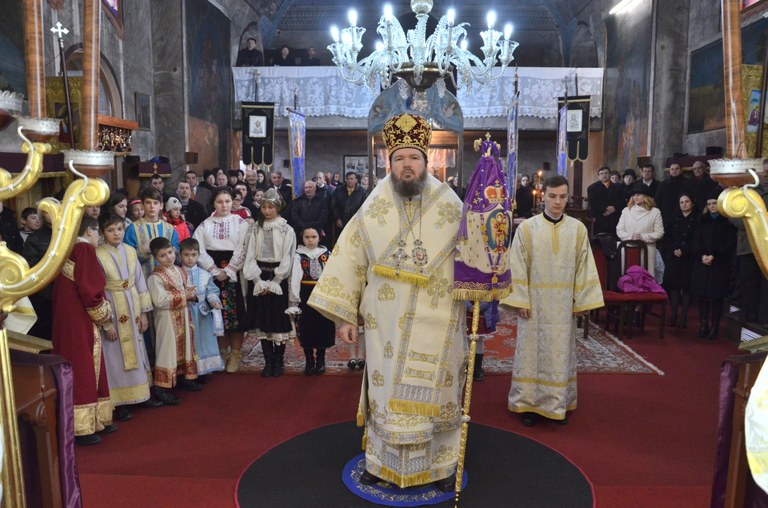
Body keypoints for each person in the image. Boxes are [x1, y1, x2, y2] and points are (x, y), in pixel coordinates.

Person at [309, 113, 465, 491]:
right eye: (399, 159)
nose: (407, 165)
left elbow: (473, 254)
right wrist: (345, 316)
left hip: (440, 313)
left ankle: (441, 466)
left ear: (427, 162)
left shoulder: (449, 202)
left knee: (440, 388)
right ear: (388, 162)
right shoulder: (373, 204)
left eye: (414, 158)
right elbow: (350, 257)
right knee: (387, 389)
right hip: (386, 318)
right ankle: (382, 463)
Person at [502, 175, 603, 427]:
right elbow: (517, 265)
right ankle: (528, 404)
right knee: (531, 353)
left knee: (560, 354)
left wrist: (581, 301)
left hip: (562, 306)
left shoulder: (577, 229)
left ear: (567, 197)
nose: (558, 202)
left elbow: (584, 267)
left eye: (562, 197)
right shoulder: (527, 228)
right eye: (552, 196)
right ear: (542, 196)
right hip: (534, 305)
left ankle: (557, 403)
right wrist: (521, 300)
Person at [51, 215, 115, 445]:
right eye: (98, 232)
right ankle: (82, 427)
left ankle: (94, 419)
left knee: (81, 363)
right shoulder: (84, 249)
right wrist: (104, 315)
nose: (98, 237)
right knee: (82, 364)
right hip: (78, 316)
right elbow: (90, 290)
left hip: (65, 315)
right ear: (90, 231)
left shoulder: (65, 247)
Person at [96, 214, 157, 421]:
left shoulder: (131, 251)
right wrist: (106, 323)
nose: (116, 233)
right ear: (103, 233)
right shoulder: (98, 254)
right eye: (111, 230)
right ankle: (119, 400)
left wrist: (144, 313)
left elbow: (140, 282)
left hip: (132, 304)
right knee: (114, 352)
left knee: (138, 347)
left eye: (120, 229)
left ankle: (141, 393)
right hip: (112, 305)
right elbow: (98, 290)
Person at [194, 187, 250, 373]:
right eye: (220, 202)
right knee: (216, 315)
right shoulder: (205, 225)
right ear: (213, 203)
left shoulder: (240, 223)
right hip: (212, 273)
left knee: (236, 315)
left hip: (234, 273)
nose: (224, 205)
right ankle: (221, 353)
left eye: (227, 201)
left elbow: (243, 247)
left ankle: (235, 354)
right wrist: (213, 270)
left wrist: (230, 269)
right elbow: (199, 249)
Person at [243, 189, 298, 377]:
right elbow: (249, 255)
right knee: (262, 319)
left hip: (278, 278)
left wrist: (276, 280)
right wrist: (257, 280)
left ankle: (278, 360)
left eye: (270, 207)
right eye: (264, 207)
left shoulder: (285, 229)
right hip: (258, 275)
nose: (267, 211)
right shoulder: (255, 228)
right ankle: (268, 360)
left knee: (278, 318)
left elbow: (288, 256)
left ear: (278, 207)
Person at [147, 237, 200, 403]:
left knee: (185, 347)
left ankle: (184, 377)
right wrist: (185, 295)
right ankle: (162, 387)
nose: (168, 257)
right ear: (156, 258)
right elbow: (160, 300)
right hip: (166, 319)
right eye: (163, 255)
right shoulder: (155, 277)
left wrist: (191, 294)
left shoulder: (179, 270)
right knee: (167, 350)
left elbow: (186, 287)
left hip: (182, 314)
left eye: (170, 252)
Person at [690, 193, 737, 340]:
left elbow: (729, 244)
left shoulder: (728, 223)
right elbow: (696, 241)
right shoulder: (702, 221)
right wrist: (702, 255)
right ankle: (703, 325)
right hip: (703, 263)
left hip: (719, 264)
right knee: (703, 296)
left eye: (714, 203)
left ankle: (715, 327)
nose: (712, 206)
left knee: (717, 297)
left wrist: (714, 255)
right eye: (709, 204)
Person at [290, 227, 335, 375]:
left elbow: (332, 276)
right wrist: (294, 299)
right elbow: (295, 277)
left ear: (319, 238)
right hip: (305, 293)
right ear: (302, 239)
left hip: (322, 293)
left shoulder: (327, 254)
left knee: (322, 326)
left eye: (313, 237)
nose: (310, 240)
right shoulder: (298, 255)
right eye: (307, 237)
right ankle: (309, 360)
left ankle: (321, 359)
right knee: (306, 326)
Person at [179, 238, 224, 378]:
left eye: (193, 255)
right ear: (180, 255)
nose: (190, 258)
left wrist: (213, 300)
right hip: (185, 311)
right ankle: (191, 371)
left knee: (204, 340)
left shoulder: (205, 274)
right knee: (190, 341)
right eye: (186, 255)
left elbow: (212, 290)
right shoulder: (177, 273)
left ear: (198, 255)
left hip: (202, 313)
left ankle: (204, 369)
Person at [124, 187, 179, 281]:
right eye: (148, 202)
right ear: (142, 205)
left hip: (167, 281)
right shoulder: (132, 229)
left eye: (155, 203)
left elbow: (176, 253)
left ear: (161, 205)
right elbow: (126, 257)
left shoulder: (169, 229)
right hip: (142, 279)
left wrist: (172, 251)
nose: (152, 206)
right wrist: (143, 250)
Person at [661, 193, 697, 328]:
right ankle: (674, 314)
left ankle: (683, 317)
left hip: (689, 257)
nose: (684, 204)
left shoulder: (696, 219)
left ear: (692, 203)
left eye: (687, 201)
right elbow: (667, 236)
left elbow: (696, 238)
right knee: (674, 286)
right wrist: (674, 249)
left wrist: (685, 250)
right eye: (682, 202)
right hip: (674, 256)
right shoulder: (674, 217)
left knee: (686, 288)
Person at [616, 183, 665, 280]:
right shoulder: (626, 211)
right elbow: (619, 230)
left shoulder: (655, 212)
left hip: (647, 250)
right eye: (634, 195)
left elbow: (660, 232)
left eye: (638, 194)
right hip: (628, 249)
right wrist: (630, 237)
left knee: (646, 279)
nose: (635, 197)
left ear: (646, 196)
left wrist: (642, 237)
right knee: (629, 278)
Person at [587, 166, 625, 236]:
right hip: (600, 214)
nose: (604, 175)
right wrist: (606, 208)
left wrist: (614, 208)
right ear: (598, 176)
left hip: (615, 214)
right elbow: (593, 202)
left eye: (606, 173)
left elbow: (622, 201)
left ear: (609, 174)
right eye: (601, 173)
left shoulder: (618, 187)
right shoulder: (592, 188)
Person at [330, 172, 366, 240]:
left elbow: (364, 206)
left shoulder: (362, 192)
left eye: (351, 179)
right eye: (348, 179)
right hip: (341, 221)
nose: (349, 181)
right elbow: (334, 205)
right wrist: (337, 218)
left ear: (356, 180)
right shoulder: (339, 190)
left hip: (355, 222)